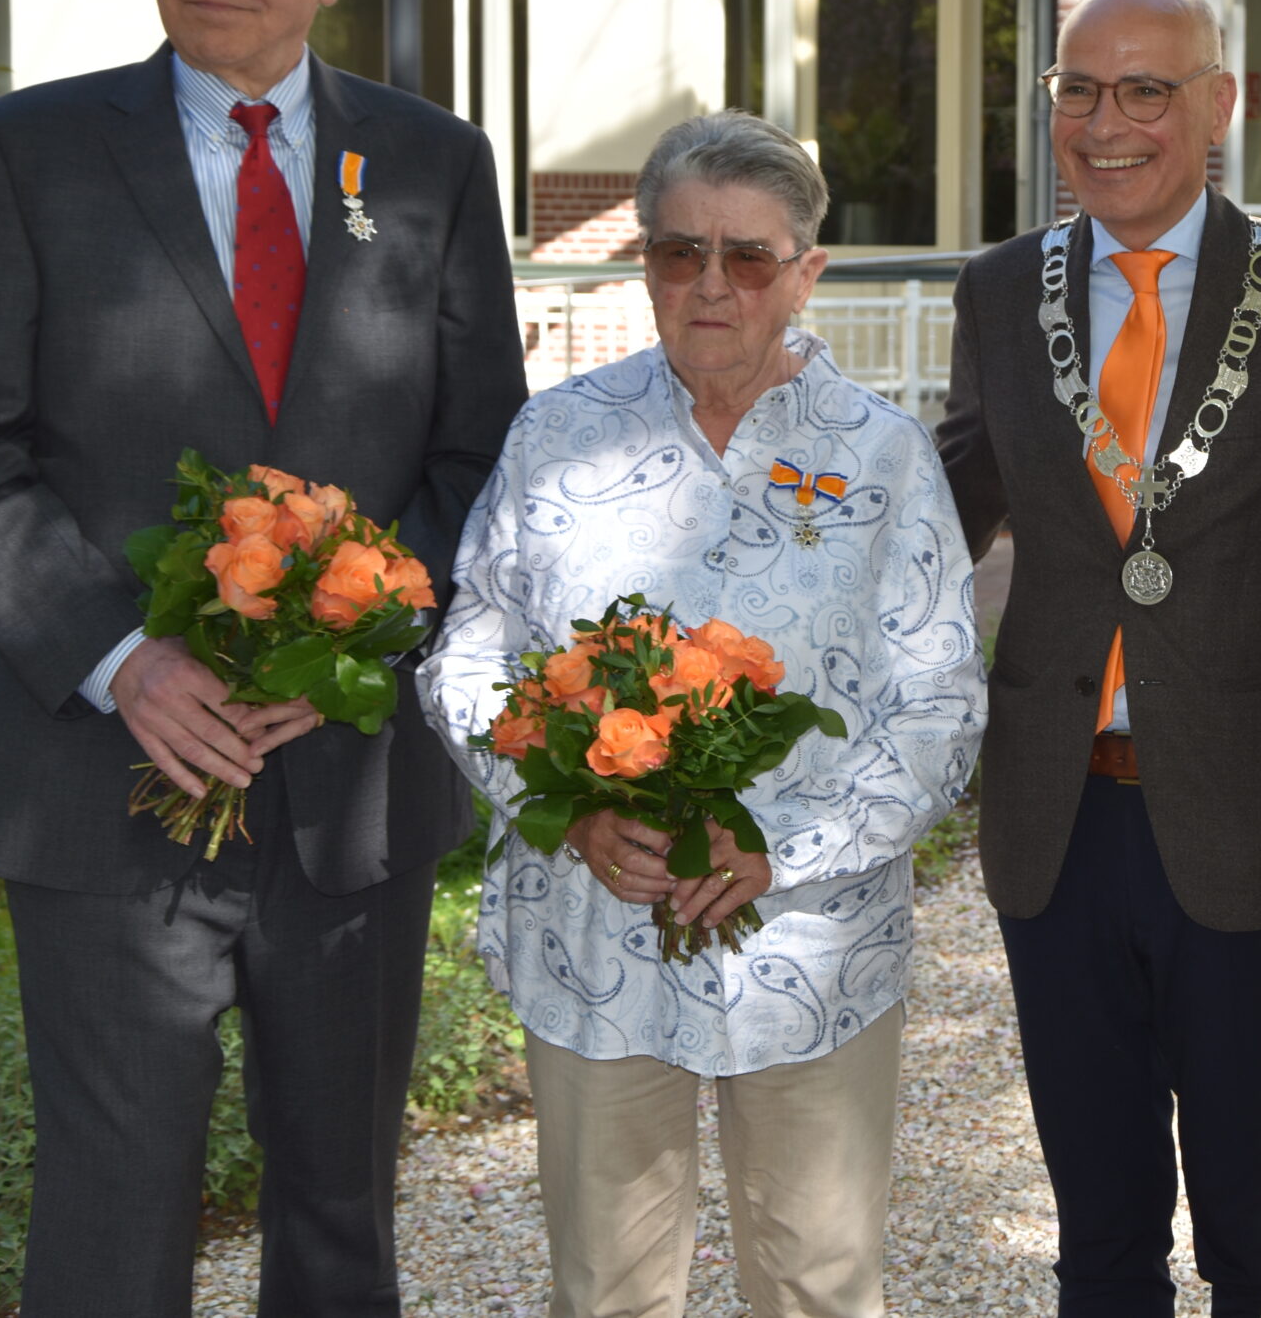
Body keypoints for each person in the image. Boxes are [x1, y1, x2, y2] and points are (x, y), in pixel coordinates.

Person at [0, 0, 525, 1316]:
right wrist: (119, 659)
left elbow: (480, 460)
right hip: (106, 784)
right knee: (111, 1224)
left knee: (337, 1220)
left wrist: (368, 636)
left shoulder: (433, 168)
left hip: (348, 789)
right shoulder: (27, 153)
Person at [420, 109, 985, 1318]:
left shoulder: (879, 455)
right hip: (595, 933)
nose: (711, 285)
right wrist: (559, 809)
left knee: (820, 1283)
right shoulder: (556, 436)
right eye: (680, 252)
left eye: (747, 257)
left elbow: (937, 704)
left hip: (813, 945)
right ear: (645, 264)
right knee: (608, 1286)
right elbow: (468, 657)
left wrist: (786, 850)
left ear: (806, 273)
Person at [936, 0, 1261, 1317]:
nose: (1107, 120)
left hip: (1255, 820)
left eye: (1147, 88)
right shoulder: (998, 289)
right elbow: (939, 514)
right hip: (1058, 819)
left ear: (1218, 105)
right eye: (1079, 88)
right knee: (1101, 1230)